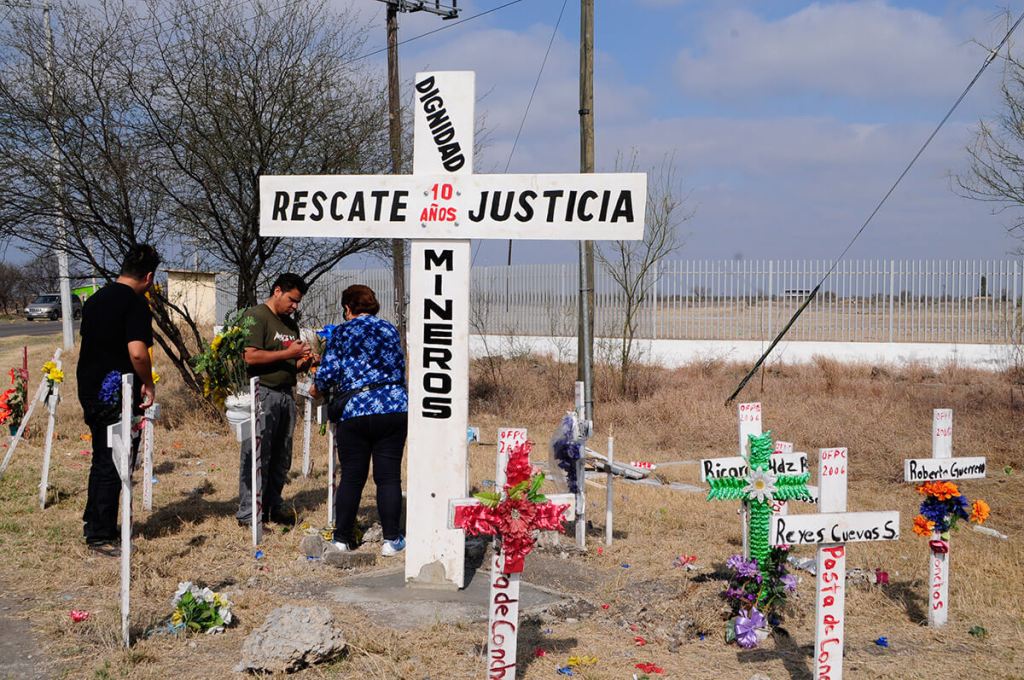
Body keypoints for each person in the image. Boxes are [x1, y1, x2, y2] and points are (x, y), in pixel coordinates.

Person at [78, 244, 161, 557]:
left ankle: (96, 522)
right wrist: (149, 384)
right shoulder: (135, 304)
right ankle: (100, 534)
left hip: (90, 386)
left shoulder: (96, 299)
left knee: (102, 456)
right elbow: (138, 352)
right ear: (149, 276)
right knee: (115, 460)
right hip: (116, 391)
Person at [313, 284, 408, 556]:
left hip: (355, 411)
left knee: (353, 476)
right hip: (393, 408)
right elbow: (400, 366)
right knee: (388, 476)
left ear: (347, 308)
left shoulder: (342, 332)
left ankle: (342, 538)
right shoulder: (389, 329)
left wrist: (315, 387)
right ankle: (392, 539)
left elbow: (329, 373)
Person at [236, 273, 312, 528]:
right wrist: (289, 352)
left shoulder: (290, 325)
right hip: (262, 393)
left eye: (298, 302)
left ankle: (272, 505)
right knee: (258, 453)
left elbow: (290, 362)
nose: (295, 306)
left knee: (282, 456)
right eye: (292, 300)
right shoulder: (256, 316)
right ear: (277, 291)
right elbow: (251, 357)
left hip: (286, 394)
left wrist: (304, 361)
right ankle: (249, 512)